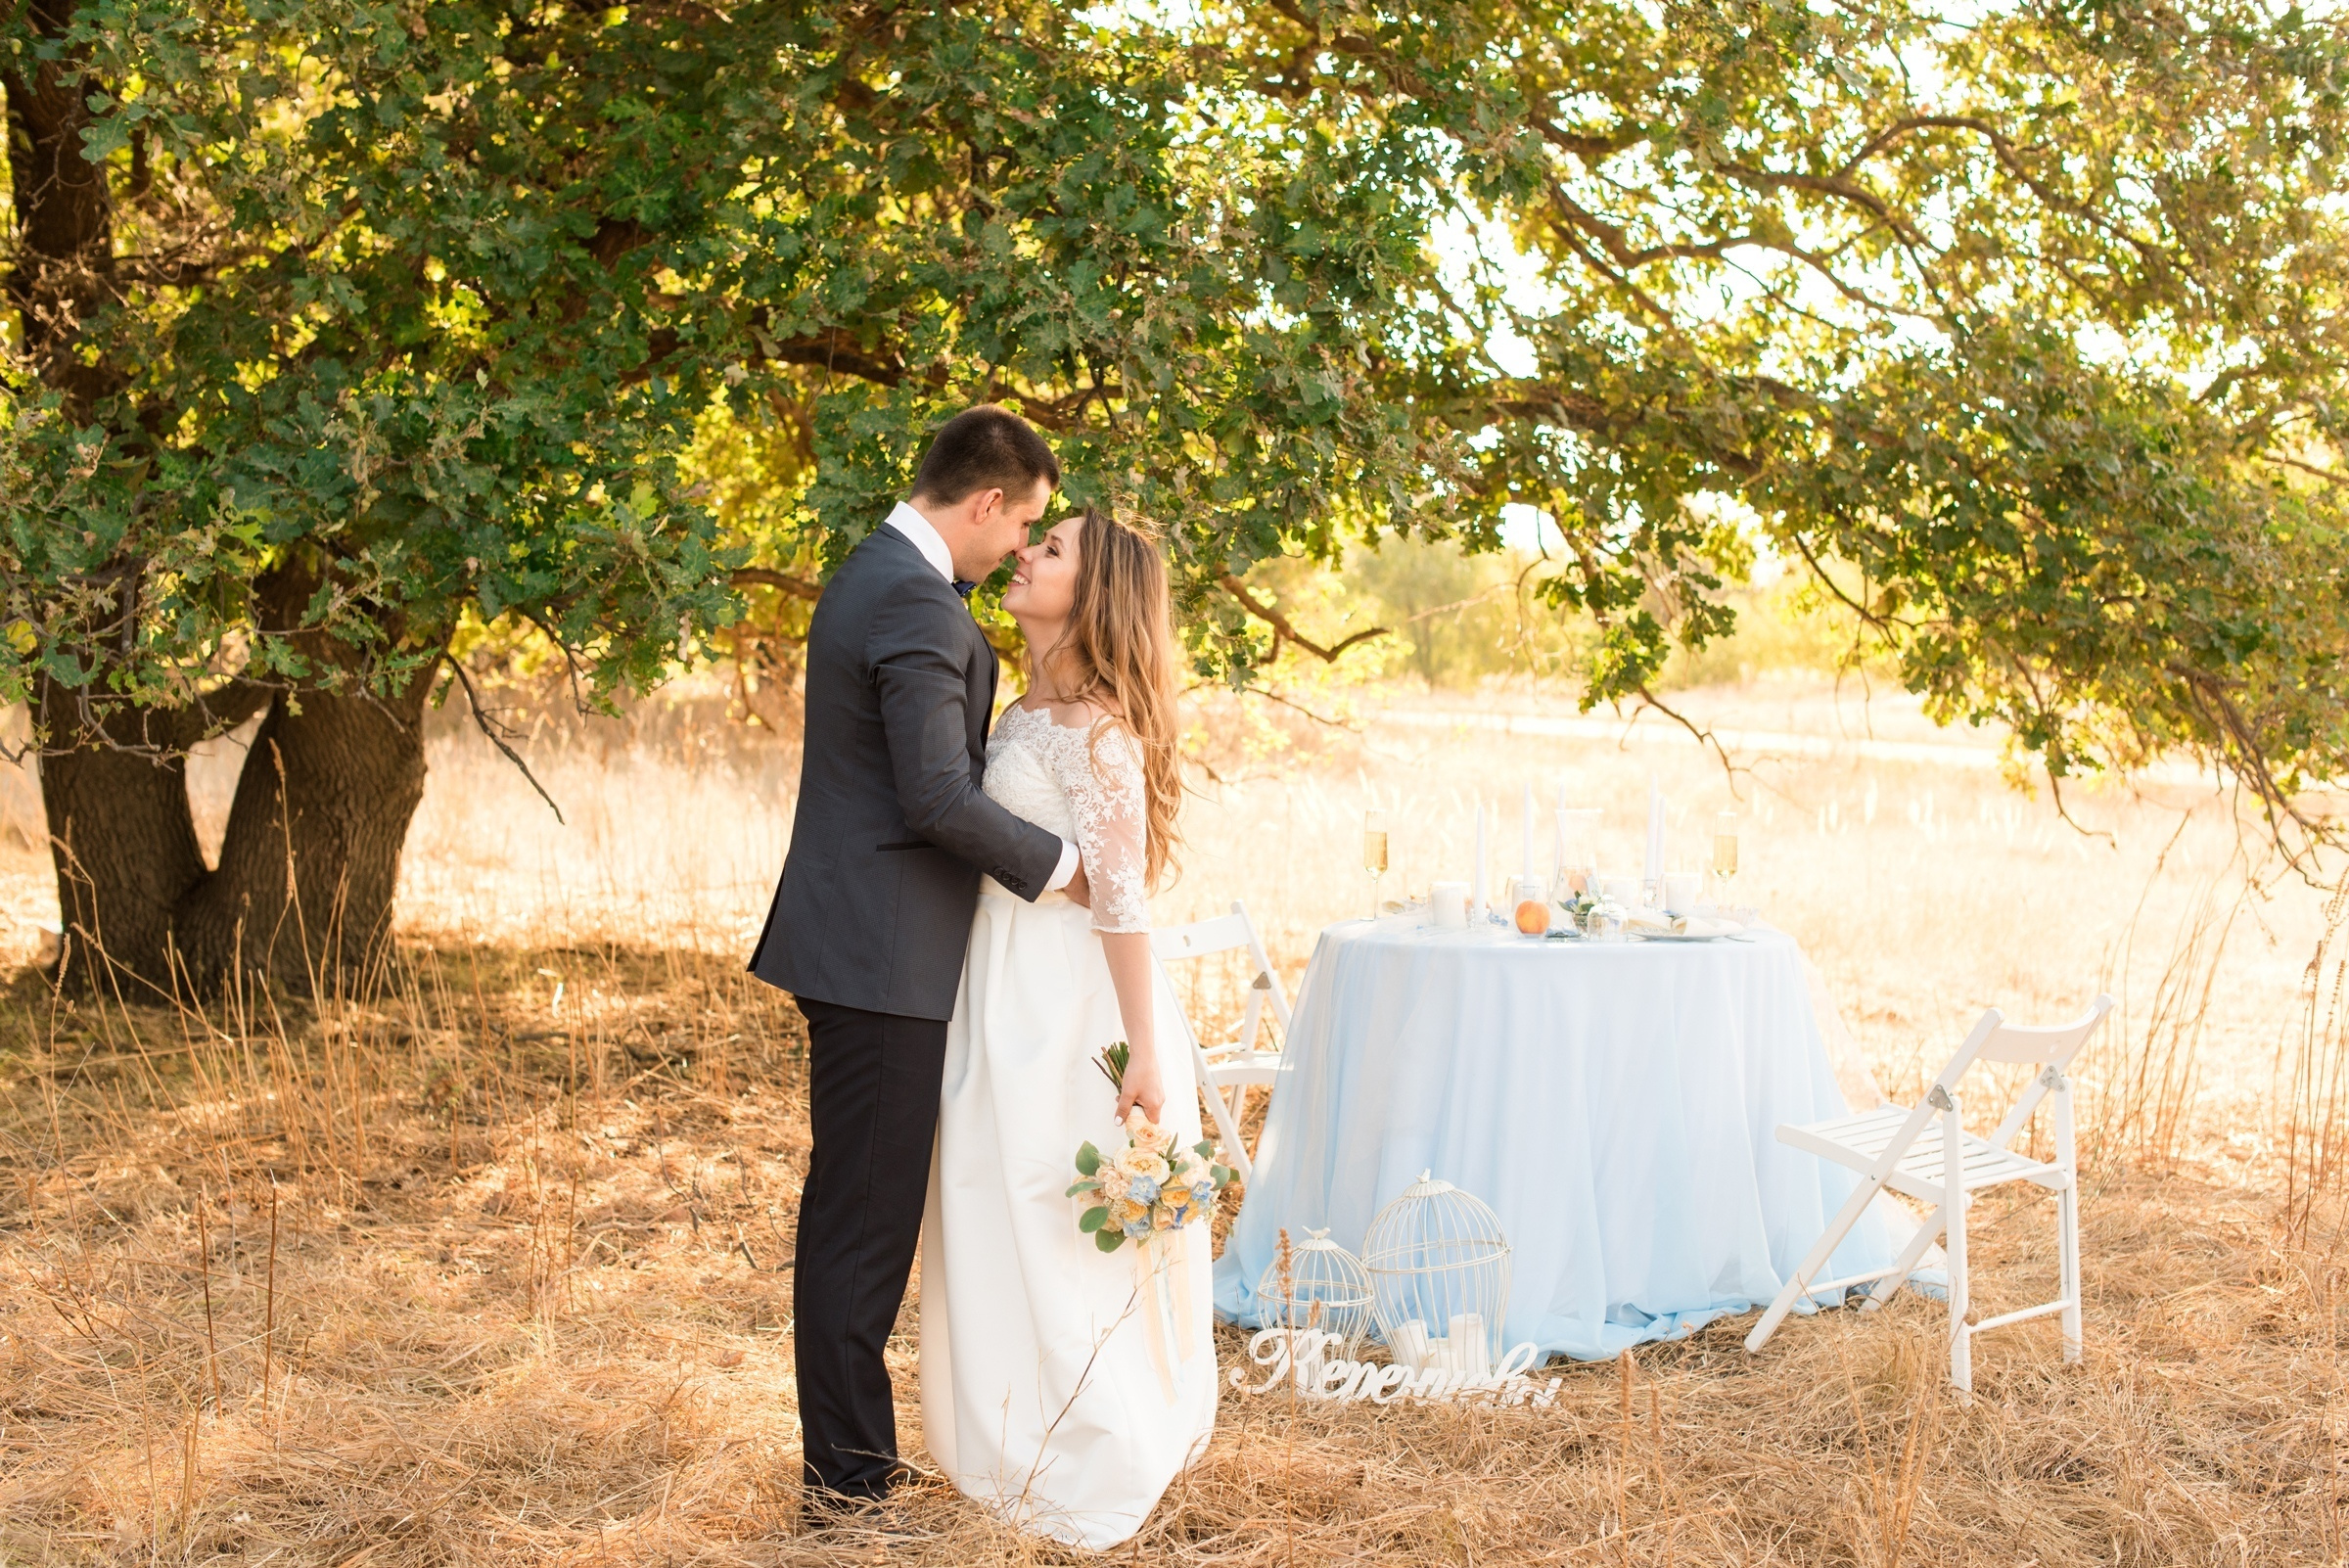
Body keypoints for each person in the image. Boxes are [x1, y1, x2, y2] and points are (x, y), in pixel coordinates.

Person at [747, 405, 1090, 1516]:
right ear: (986, 500)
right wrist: (1068, 871)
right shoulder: (909, 598)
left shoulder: (882, 574)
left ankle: (852, 1471)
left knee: (861, 1218)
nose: (1019, 549)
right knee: (860, 1228)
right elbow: (936, 797)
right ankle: (846, 1494)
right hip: (879, 956)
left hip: (870, 944)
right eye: (1025, 522)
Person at [917, 503, 1215, 1548]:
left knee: (1056, 1212)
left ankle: (1095, 1443)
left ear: (1095, 597)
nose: (1026, 554)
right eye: (1037, 540)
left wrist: (1140, 1056)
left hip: (1069, 1007)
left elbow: (1122, 902)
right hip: (995, 992)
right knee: (992, 1206)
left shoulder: (1096, 733)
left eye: (1052, 550)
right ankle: (1006, 1435)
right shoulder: (1018, 709)